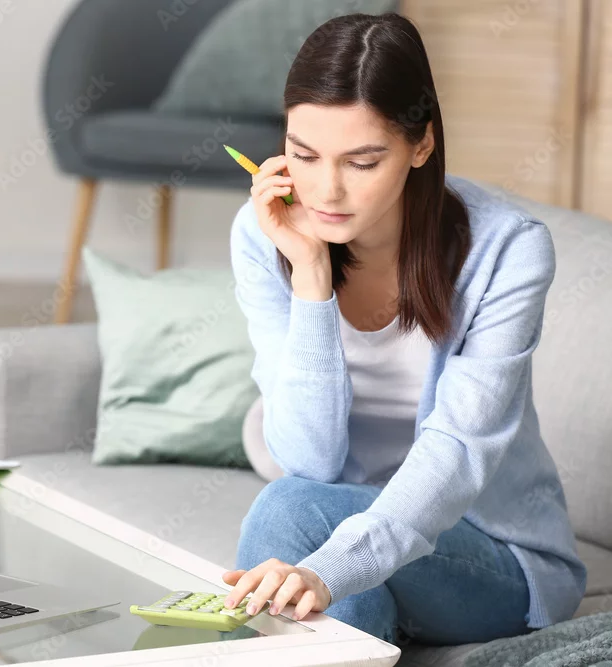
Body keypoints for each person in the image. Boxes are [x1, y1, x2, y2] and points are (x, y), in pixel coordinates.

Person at [224, 11, 587, 646]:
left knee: (288, 513)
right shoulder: (264, 235)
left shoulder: (507, 250)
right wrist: (311, 276)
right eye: (303, 155)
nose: (326, 191)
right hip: (345, 533)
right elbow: (307, 459)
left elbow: (458, 451)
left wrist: (329, 569)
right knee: (316, 567)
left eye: (362, 162)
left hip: (492, 556)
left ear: (421, 146)